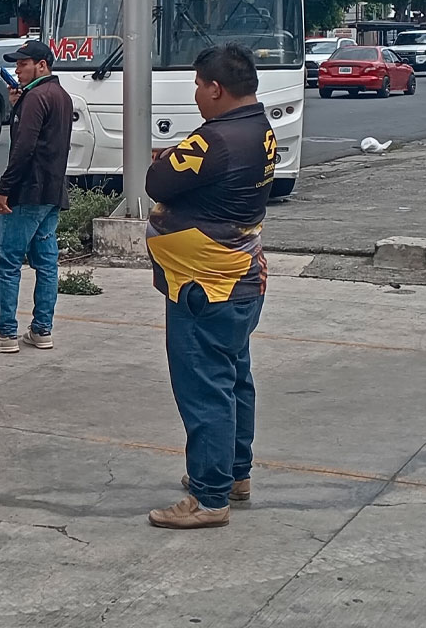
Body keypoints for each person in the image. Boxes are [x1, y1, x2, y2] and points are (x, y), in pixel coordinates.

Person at [144, 43, 277, 530]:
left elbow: (157, 181)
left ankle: (208, 497)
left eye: (199, 85)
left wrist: (174, 157)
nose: (197, 93)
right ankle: (233, 474)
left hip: (206, 285)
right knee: (234, 378)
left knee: (205, 389)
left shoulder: (215, 140)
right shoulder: (259, 129)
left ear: (216, 88)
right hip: (238, 277)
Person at [0, 40, 73, 353]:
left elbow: (23, 148)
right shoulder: (60, 96)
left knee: (8, 262)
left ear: (42, 65)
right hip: (52, 190)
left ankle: (5, 333)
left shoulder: (36, 97)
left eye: (23, 63)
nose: (18, 69)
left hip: (28, 191)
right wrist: (18, 105)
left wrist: (5, 188)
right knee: (46, 263)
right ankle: (42, 329)